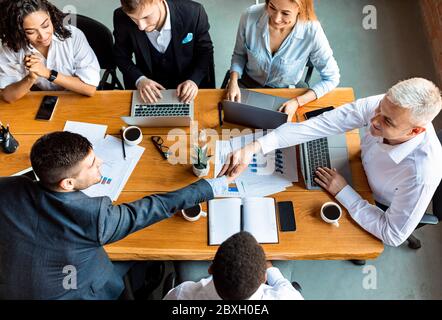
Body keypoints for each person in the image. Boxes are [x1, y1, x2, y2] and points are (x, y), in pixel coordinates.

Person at [0, 131, 235, 299]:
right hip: (77, 291)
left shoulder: (7, 187)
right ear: (68, 183)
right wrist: (214, 185)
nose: (100, 162)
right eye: (92, 164)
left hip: (14, 285)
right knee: (144, 252)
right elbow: (157, 206)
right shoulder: (96, 218)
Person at [219, 78, 442, 247]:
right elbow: (317, 126)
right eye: (378, 108)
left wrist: (343, 191)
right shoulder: (386, 107)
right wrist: (253, 147)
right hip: (356, 162)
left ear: (415, 131)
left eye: (387, 121)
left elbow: (393, 235)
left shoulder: (422, 174)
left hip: (374, 200)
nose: (373, 121)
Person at [225, 0, 340, 121]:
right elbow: (239, 54)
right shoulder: (249, 15)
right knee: (231, 126)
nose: (276, 19)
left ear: (300, 9)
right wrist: (233, 82)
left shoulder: (312, 31)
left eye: (285, 13)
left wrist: (297, 102)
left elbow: (332, 78)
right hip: (248, 84)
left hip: (286, 93)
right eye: (272, 7)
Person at [113, 0, 214, 104]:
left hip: (190, 92)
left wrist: (194, 80)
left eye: (146, 17)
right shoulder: (120, 17)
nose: (141, 26)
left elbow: (205, 51)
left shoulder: (194, 12)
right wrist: (140, 80)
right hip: (149, 96)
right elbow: (121, 56)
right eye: (133, 18)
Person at [0, 0, 100, 103]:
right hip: (39, 101)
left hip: (76, 99)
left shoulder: (73, 36)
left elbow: (90, 89)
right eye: (31, 32)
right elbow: (8, 97)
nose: (43, 36)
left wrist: (47, 73)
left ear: (49, 15)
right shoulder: (12, 47)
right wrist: (30, 78)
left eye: (45, 25)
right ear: (19, 31)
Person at [164, 231, 303, 300]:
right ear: (263, 277)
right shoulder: (287, 297)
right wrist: (270, 267)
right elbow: (282, 284)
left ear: (211, 268)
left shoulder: (183, 294)